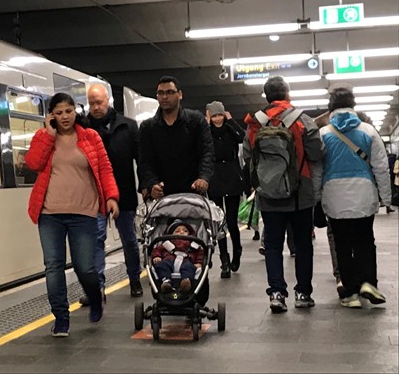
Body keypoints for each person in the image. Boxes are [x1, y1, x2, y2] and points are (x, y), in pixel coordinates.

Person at [25, 92, 120, 337]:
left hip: (84, 212)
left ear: (75, 111)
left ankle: (95, 296)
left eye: (68, 111)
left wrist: (111, 197)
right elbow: (33, 164)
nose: (65, 116)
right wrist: (48, 135)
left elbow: (106, 169)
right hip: (50, 214)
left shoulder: (90, 137)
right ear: (51, 116)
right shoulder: (43, 137)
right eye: (59, 112)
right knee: (53, 266)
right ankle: (61, 318)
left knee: (85, 267)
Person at [243, 76, 324, 313]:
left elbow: (248, 157)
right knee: (302, 244)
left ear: (266, 96)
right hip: (300, 193)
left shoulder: (255, 122)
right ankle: (303, 293)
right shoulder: (302, 120)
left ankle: (277, 293)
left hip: (268, 195)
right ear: (288, 94)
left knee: (273, 245)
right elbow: (317, 154)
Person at [312, 87, 392, 308]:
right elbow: (381, 168)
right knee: (365, 240)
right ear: (353, 105)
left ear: (331, 108)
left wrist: (316, 197)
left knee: (342, 244)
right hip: (364, 194)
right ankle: (368, 282)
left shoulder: (324, 133)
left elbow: (317, 170)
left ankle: (350, 293)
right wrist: (386, 198)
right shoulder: (369, 131)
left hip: (334, 195)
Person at [77, 84, 142, 306]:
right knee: (96, 240)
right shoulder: (82, 129)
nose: (95, 107)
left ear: (108, 101)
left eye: (99, 102)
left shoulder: (128, 127)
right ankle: (98, 288)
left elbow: (141, 161)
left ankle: (135, 279)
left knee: (129, 239)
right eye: (91, 103)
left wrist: (145, 185)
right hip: (93, 195)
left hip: (123, 193)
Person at [138, 75, 215, 200]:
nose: (164, 97)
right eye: (160, 93)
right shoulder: (147, 127)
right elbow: (145, 161)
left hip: (193, 191)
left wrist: (203, 177)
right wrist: (151, 183)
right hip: (162, 195)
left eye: (170, 92)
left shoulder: (196, 121)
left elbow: (207, 152)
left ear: (180, 94)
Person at [205, 101, 246, 278]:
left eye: (220, 115)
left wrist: (231, 121)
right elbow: (201, 144)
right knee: (219, 222)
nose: (217, 119)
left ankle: (237, 251)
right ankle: (224, 260)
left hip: (232, 178)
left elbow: (242, 136)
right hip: (215, 180)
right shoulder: (207, 133)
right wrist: (206, 124)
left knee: (231, 221)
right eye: (214, 116)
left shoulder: (230, 130)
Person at [151, 220, 205, 294]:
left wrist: (199, 262)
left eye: (185, 231)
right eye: (177, 231)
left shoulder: (193, 244)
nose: (182, 232)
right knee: (161, 266)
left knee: (189, 267)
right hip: (169, 259)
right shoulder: (167, 243)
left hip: (187, 260)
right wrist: (157, 256)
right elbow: (157, 250)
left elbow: (200, 253)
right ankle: (166, 281)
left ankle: (186, 282)